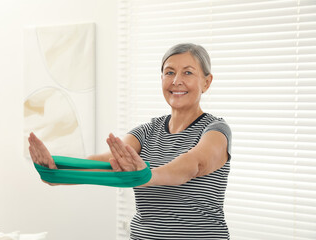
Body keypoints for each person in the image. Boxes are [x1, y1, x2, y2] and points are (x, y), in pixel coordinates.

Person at [28, 43, 232, 239]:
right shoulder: (146, 131)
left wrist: (145, 175)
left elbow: (194, 164)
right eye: (169, 72)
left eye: (188, 72)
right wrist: (57, 172)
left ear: (206, 82)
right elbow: (106, 162)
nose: (176, 81)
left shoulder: (215, 130)